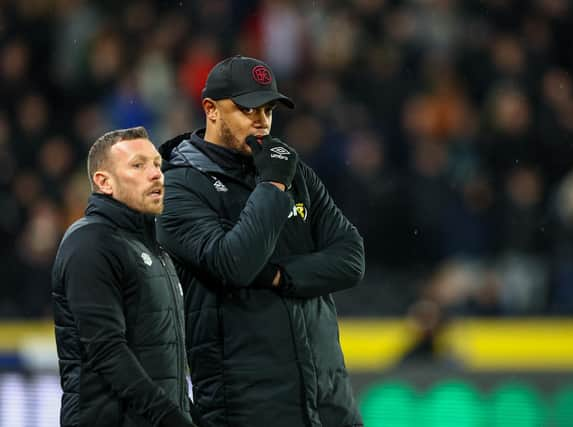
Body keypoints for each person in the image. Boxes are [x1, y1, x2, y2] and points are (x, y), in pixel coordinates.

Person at [156, 55, 365, 427]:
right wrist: (271, 186)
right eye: (247, 108)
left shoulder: (291, 169)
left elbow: (351, 258)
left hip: (327, 401)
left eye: (268, 108)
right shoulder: (178, 187)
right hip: (247, 406)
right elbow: (235, 264)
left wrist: (280, 277)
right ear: (211, 109)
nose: (262, 119)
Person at [51, 127, 196, 427]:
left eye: (157, 164)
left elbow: (160, 361)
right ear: (104, 182)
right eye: (138, 165)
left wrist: (189, 413)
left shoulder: (154, 249)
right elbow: (107, 351)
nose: (156, 174)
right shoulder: (90, 243)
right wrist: (172, 419)